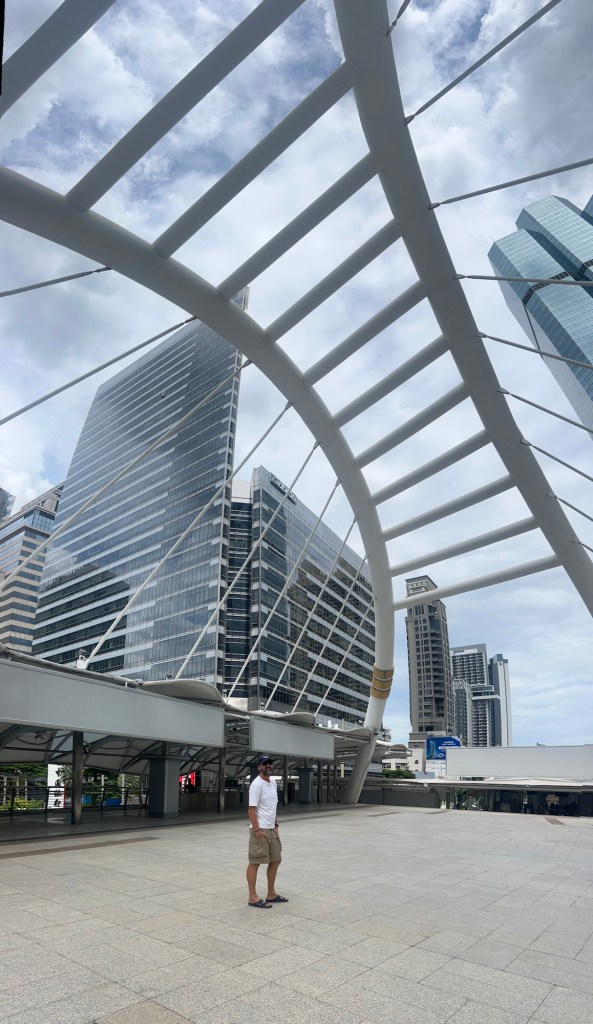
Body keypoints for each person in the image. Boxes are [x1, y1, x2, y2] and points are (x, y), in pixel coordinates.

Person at [246, 754, 288, 908]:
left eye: (270, 763)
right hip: (260, 829)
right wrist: (257, 830)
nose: (268, 765)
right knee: (255, 862)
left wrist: (276, 824)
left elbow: (272, 806)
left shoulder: (273, 783)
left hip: (271, 828)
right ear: (259, 767)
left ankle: (271, 894)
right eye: (264, 764)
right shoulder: (256, 785)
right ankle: (252, 897)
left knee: (276, 860)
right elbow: (251, 809)